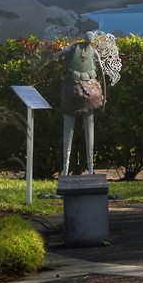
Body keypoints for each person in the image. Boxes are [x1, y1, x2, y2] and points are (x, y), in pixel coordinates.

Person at [60, 30, 107, 176]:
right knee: (82, 131)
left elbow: (59, 54)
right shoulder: (75, 49)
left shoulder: (78, 49)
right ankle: (69, 169)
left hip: (81, 92)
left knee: (76, 131)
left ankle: (75, 169)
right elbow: (102, 75)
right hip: (83, 92)